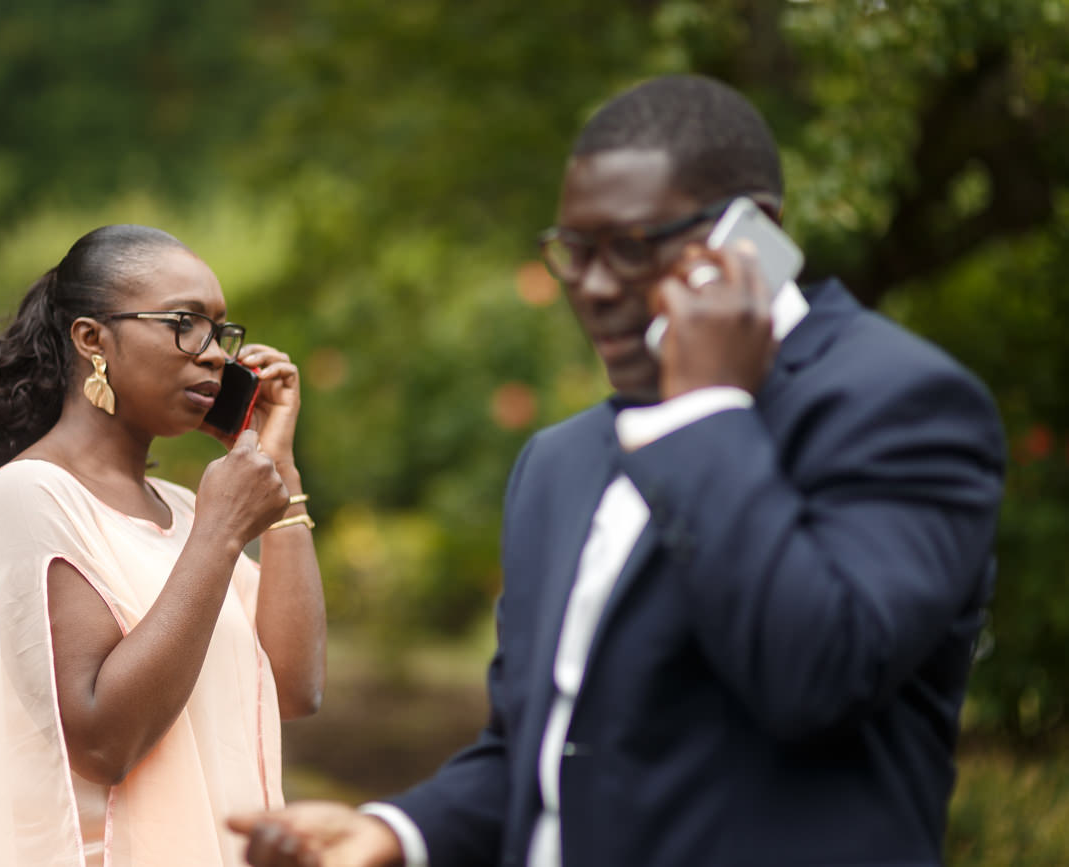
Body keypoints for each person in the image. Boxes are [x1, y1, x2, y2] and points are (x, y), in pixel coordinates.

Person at [228, 75, 1006, 866]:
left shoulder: (901, 404)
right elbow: (545, 744)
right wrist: (400, 828)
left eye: (631, 246)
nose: (593, 288)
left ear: (753, 238)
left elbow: (817, 677)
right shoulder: (559, 461)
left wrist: (706, 413)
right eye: (575, 251)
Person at [0, 224, 327, 866]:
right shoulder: (31, 499)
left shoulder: (188, 515)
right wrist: (220, 534)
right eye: (184, 323)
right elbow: (104, 743)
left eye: (220, 331)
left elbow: (295, 688)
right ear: (92, 339)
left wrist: (280, 473)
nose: (215, 353)